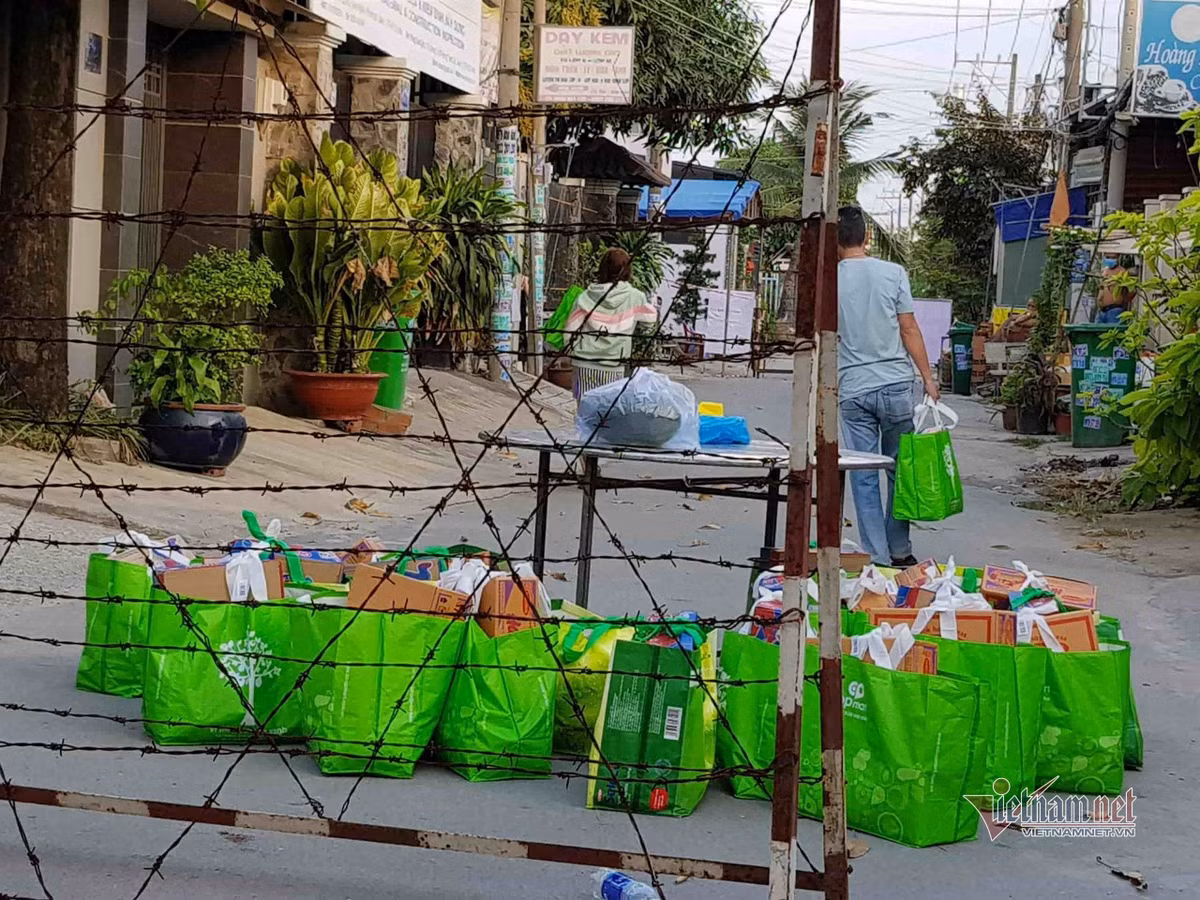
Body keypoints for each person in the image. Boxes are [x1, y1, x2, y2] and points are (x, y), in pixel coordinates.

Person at [836, 206, 940, 568]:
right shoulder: (893, 273)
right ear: (868, 238)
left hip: (853, 388)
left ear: (836, 243)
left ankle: (877, 556)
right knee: (899, 469)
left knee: (863, 474)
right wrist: (927, 377)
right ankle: (900, 548)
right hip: (896, 384)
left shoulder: (829, 279)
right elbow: (909, 328)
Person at [564, 247, 659, 401]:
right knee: (609, 414)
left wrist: (572, 352)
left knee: (585, 414)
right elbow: (649, 323)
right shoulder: (636, 298)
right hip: (615, 365)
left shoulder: (584, 297)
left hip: (584, 363)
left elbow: (569, 332)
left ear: (602, 269)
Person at [1095, 256, 1135, 325]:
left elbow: (1132, 290)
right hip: (1102, 311)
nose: (1109, 259)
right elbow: (1101, 287)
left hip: (1115, 310)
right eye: (1107, 256)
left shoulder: (1122, 272)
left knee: (1113, 332)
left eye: (1112, 257)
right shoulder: (1105, 271)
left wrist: (1123, 301)